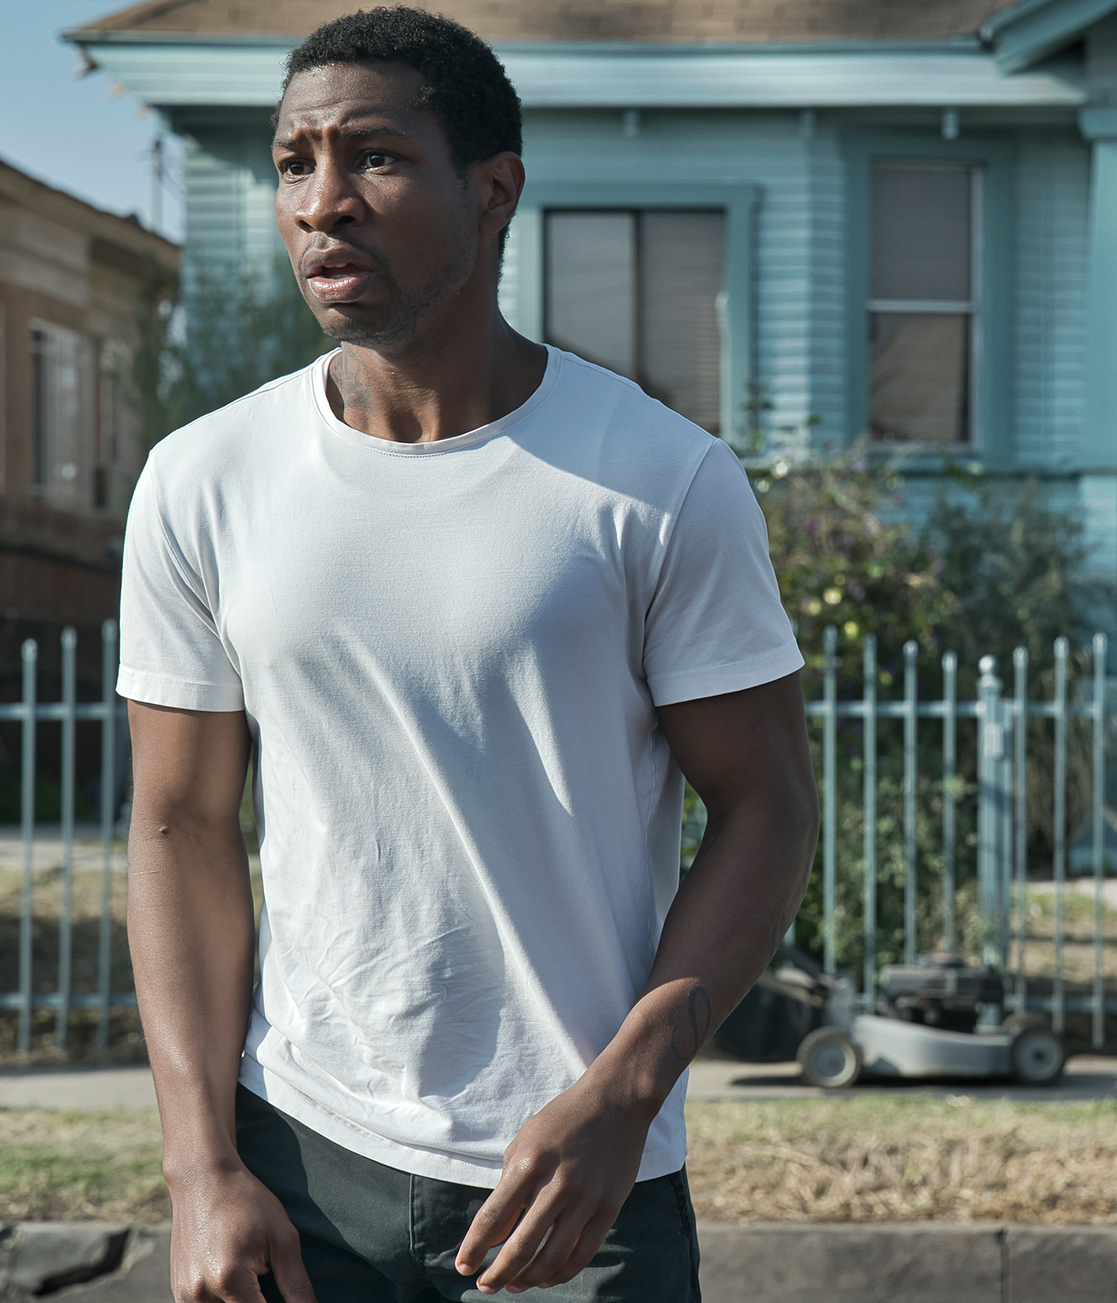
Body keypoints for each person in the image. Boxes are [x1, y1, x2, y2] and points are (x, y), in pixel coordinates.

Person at [118, 9, 817, 1301]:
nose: (323, 203)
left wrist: (626, 1090)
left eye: (375, 157)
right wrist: (199, 1167)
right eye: (294, 163)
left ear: (493, 191)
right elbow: (177, 826)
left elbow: (768, 805)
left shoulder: (658, 480)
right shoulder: (203, 480)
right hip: (300, 1163)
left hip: (582, 1183)